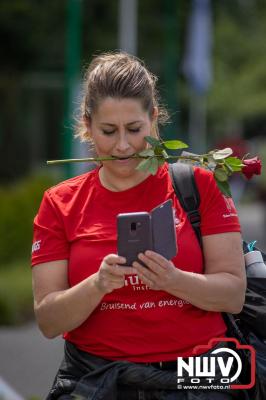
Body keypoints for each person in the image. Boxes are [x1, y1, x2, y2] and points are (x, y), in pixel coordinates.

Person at [31, 52, 247, 400]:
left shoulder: (199, 185)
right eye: (107, 131)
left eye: (134, 129)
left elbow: (233, 295)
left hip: (197, 373)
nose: (122, 145)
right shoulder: (60, 202)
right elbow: (48, 321)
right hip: (97, 376)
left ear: (154, 119)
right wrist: (97, 284)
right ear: (86, 125)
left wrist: (173, 280)